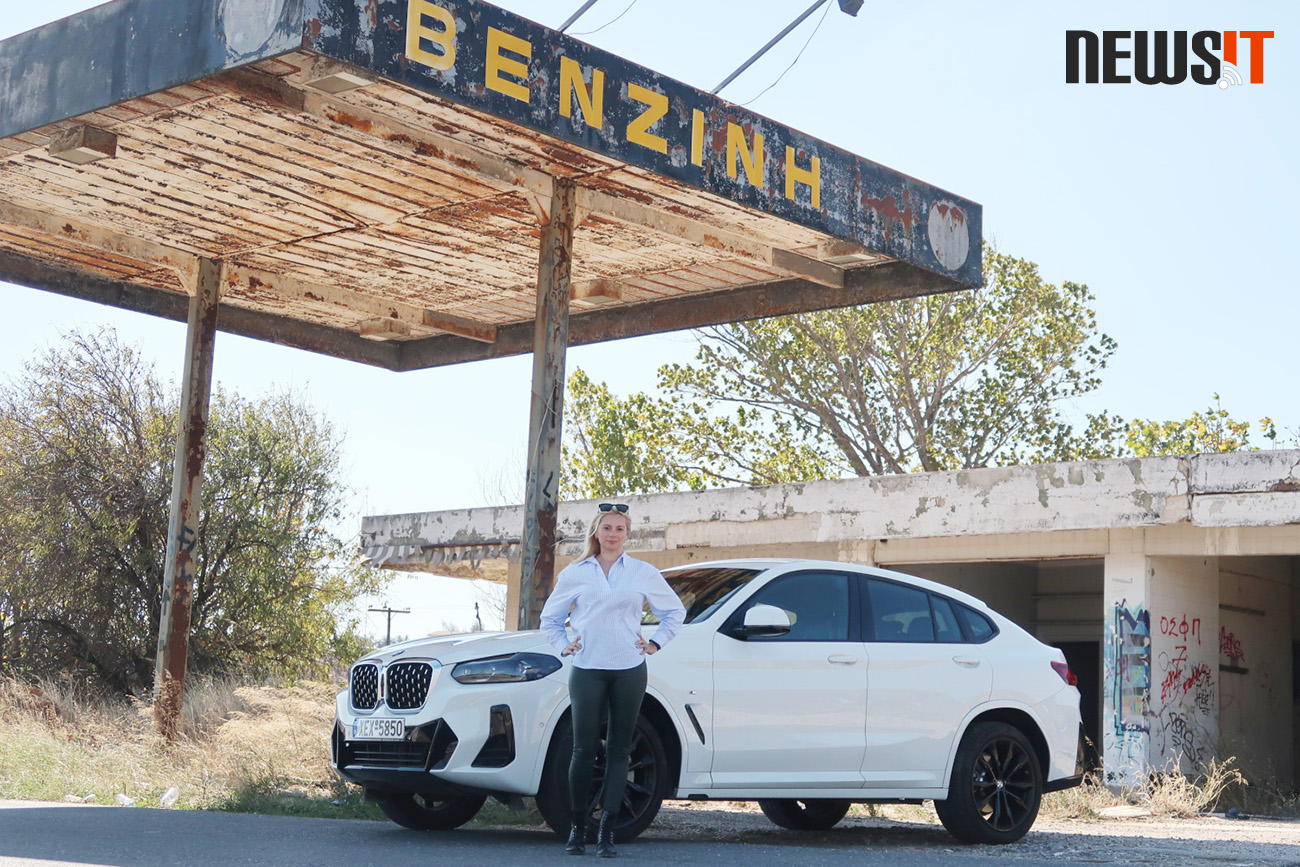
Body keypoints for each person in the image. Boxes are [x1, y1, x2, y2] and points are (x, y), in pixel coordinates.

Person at [539, 502, 686, 858]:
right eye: (607, 528)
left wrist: (655, 643)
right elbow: (550, 619)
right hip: (587, 667)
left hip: (629, 669)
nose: (613, 534)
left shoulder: (642, 572)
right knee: (583, 750)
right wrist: (563, 644)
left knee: (620, 750)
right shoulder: (576, 573)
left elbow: (675, 611)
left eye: (620, 529)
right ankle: (577, 827)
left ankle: (607, 832)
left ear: (627, 534)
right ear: (596, 531)